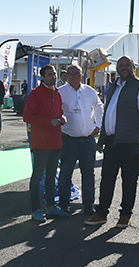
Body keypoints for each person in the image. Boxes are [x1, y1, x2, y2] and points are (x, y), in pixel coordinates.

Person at [85, 56, 139, 229]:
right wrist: (101, 140)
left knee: (129, 180)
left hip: (131, 143)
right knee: (107, 178)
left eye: (127, 65)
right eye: (121, 65)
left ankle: (125, 215)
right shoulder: (114, 87)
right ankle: (101, 213)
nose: (124, 68)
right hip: (112, 142)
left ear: (133, 67)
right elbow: (108, 113)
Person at [23, 64, 69, 221]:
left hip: (55, 143)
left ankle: (50, 207)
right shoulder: (36, 94)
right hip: (41, 143)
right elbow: (27, 117)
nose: (53, 77)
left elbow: (59, 112)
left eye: (54, 74)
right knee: (37, 177)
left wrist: (62, 118)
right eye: (49, 74)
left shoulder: (57, 94)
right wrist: (50, 122)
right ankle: (35, 209)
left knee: (51, 176)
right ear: (42, 77)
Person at [57, 64, 103, 215]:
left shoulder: (89, 91)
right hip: (69, 139)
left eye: (78, 73)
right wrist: (58, 129)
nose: (76, 76)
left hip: (88, 139)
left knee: (88, 173)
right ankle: (64, 204)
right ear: (67, 75)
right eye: (73, 73)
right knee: (66, 173)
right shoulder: (60, 92)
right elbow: (54, 111)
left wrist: (99, 126)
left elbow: (98, 107)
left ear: (82, 75)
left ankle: (88, 205)